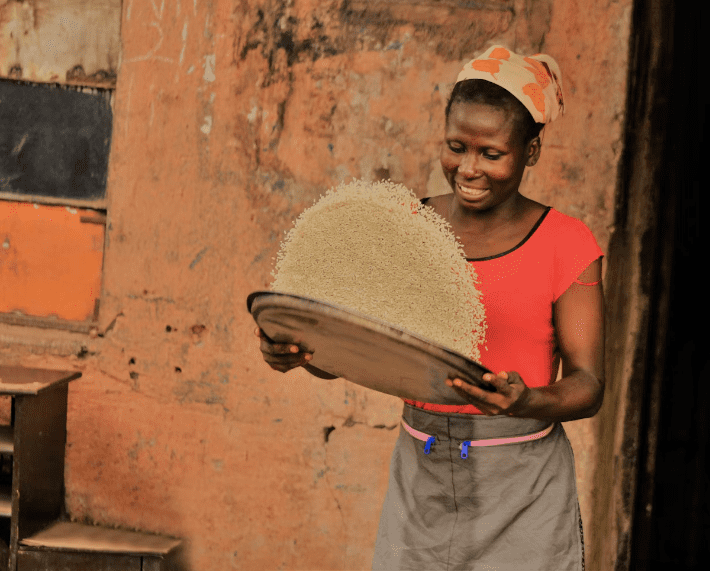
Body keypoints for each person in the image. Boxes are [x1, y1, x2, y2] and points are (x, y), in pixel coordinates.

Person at [256, 45, 604, 570]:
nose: (468, 168)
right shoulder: (407, 230)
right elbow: (364, 350)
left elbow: (588, 385)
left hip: (523, 488)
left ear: (530, 151)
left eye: (492, 153)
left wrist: (524, 400)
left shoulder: (567, 244)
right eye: (456, 146)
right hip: (420, 481)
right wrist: (303, 354)